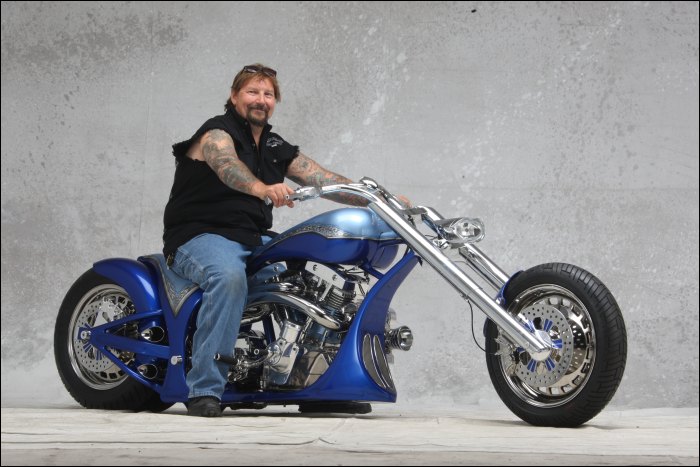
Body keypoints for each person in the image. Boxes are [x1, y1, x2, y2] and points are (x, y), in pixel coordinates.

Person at [163, 64, 370, 417]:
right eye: (252, 92)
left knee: (306, 282)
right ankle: (204, 388)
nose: (261, 100)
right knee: (228, 278)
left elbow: (323, 179)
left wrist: (379, 199)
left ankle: (312, 383)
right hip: (201, 235)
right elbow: (226, 165)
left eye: (268, 94)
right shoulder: (216, 133)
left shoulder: (274, 146)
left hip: (252, 238)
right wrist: (261, 187)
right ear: (234, 96)